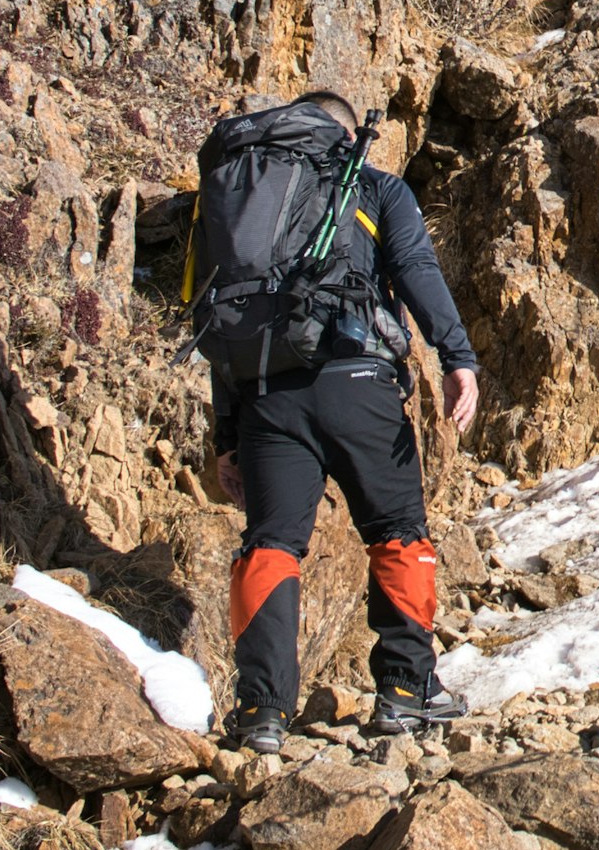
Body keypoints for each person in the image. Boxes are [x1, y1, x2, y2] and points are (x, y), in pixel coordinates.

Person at [198, 89, 481, 752]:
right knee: (396, 531)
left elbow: (224, 315)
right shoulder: (375, 188)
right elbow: (414, 268)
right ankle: (406, 693)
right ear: (349, 136)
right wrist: (456, 355)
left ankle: (263, 712)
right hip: (359, 384)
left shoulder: (245, 198)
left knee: (271, 544)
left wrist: (228, 433)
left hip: (267, 391)